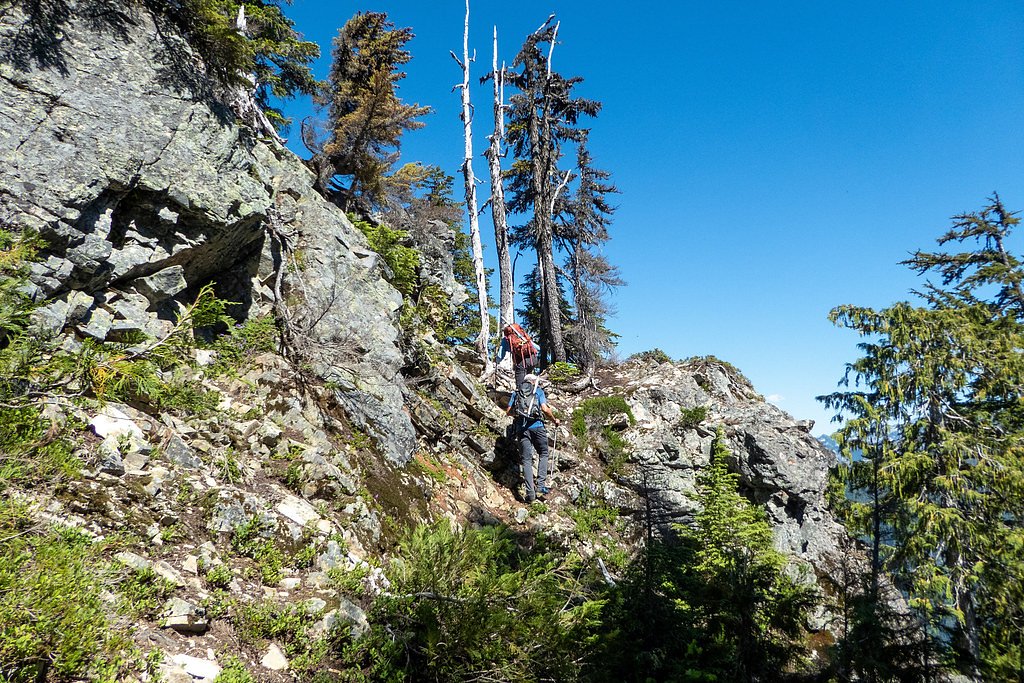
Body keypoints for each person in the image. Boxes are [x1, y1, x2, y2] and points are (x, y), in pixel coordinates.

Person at [507, 373, 560, 502]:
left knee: (526, 460)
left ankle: (530, 493)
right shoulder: (538, 392)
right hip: (537, 426)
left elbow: (508, 411)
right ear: (533, 382)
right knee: (543, 453)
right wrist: (554, 420)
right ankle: (540, 486)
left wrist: (519, 416)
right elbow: (545, 409)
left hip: (522, 429)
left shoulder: (516, 393)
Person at [496, 323, 537, 388]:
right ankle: (529, 394)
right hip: (533, 359)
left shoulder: (506, 339)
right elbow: (536, 347)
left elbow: (500, 355)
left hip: (522, 362)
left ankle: (521, 395)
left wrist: (496, 362)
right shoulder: (522, 336)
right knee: (528, 380)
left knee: (520, 384)